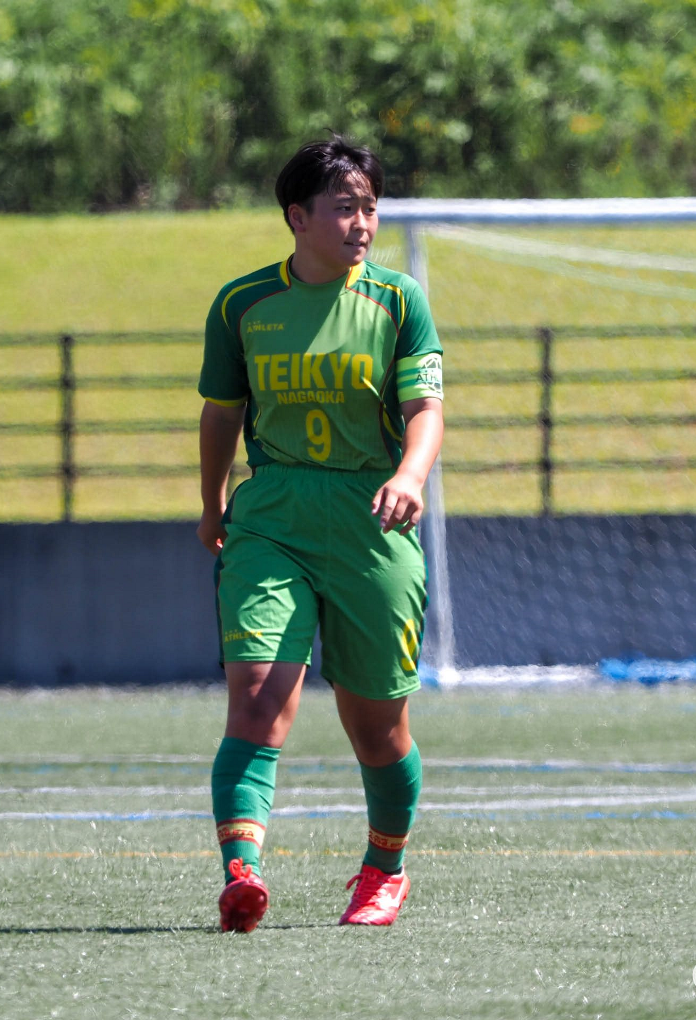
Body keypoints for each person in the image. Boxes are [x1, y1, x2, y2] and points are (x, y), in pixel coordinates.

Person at [197, 137, 445, 932]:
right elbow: (221, 413)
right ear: (297, 217)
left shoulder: (399, 301)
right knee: (258, 697)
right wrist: (211, 503)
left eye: (370, 207)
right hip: (272, 518)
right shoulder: (241, 304)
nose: (362, 222)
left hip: (374, 521)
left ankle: (384, 869)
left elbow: (425, 410)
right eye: (344, 207)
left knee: (378, 727)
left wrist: (410, 476)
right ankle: (241, 874)